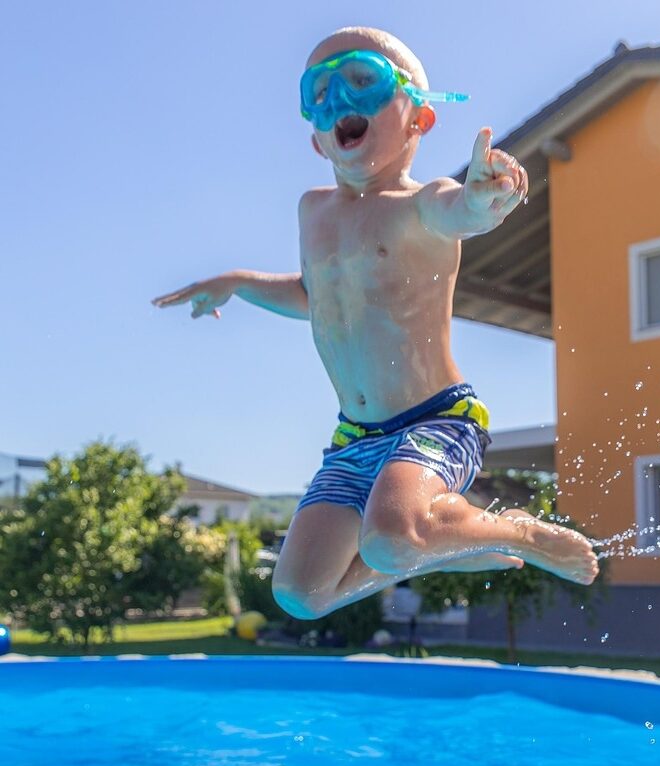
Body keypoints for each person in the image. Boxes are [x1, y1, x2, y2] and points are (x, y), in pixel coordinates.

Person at [153, 27, 599, 619]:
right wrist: (236, 282)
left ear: (419, 119)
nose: (341, 100)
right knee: (300, 594)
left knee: (391, 539)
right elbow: (318, 296)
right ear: (317, 138)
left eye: (364, 80)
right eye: (322, 90)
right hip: (353, 439)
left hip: (435, 421)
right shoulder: (313, 212)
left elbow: (463, 209)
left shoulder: (422, 206)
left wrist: (488, 194)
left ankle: (514, 532)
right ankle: (434, 548)